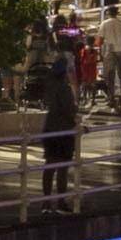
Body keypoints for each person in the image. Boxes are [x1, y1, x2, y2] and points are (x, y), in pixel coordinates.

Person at [33, 50, 81, 211]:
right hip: (64, 130)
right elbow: (69, 110)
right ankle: (61, 201)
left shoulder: (50, 86)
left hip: (50, 128)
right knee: (62, 167)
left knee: (50, 165)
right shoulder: (65, 89)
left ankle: (46, 201)